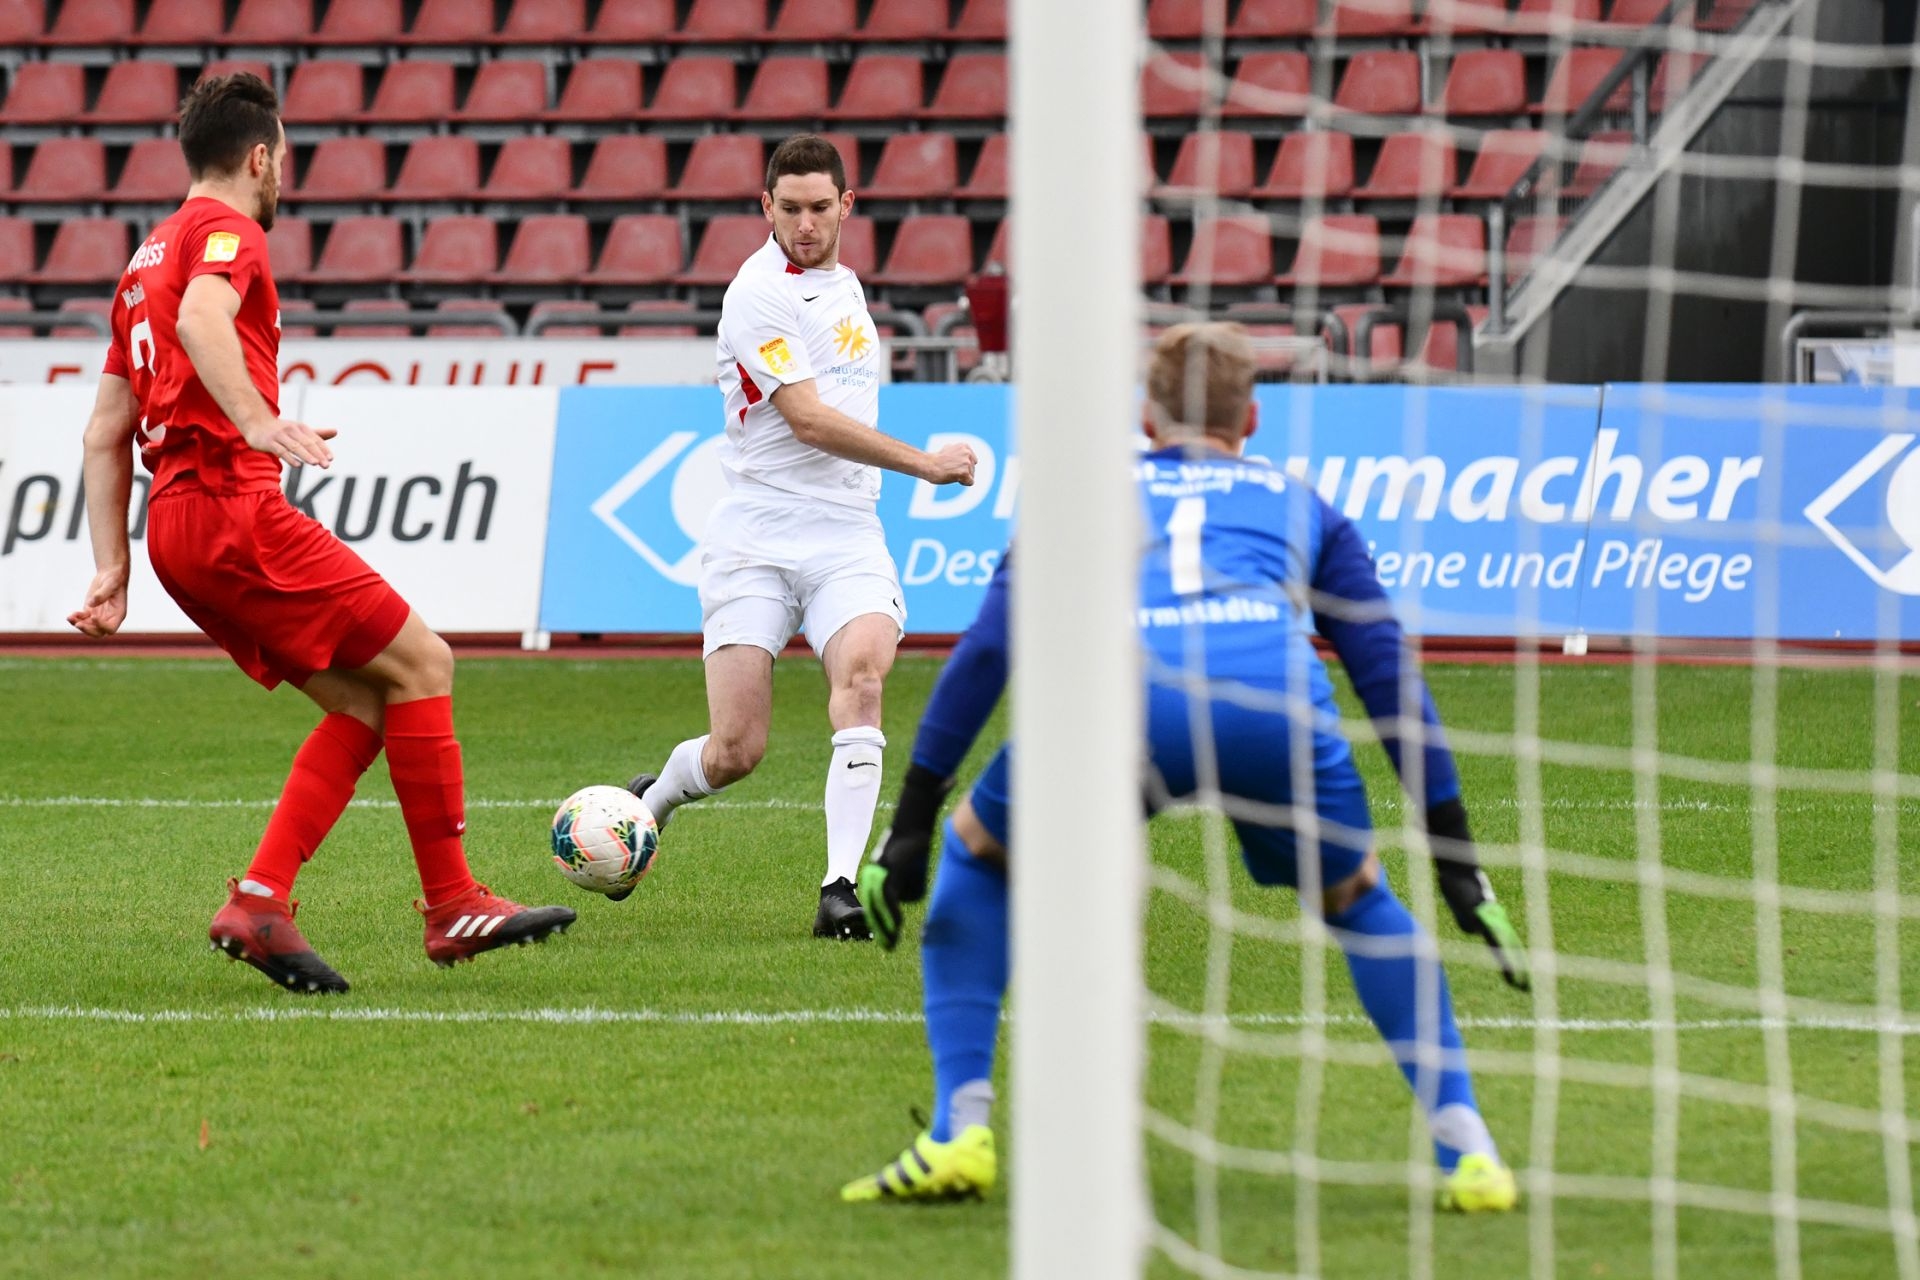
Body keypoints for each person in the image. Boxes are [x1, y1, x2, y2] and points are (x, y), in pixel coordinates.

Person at [842, 323, 1529, 1212]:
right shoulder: (1304, 504)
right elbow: (1387, 676)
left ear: (1145, 420)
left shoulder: (1090, 492)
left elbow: (989, 651)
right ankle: (1470, 1150)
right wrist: (1458, 860)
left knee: (979, 852)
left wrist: (914, 821)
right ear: (1250, 417)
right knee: (1358, 896)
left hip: (1124, 707)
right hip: (1272, 707)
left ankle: (959, 1133)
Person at [68, 72, 575, 994]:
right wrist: (259, 421)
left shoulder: (139, 263)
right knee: (427, 663)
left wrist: (112, 566)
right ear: (260, 156)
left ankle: (262, 900)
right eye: (283, 158)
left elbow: (106, 431)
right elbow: (204, 316)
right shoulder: (229, 234)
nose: (281, 175)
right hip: (232, 505)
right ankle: (453, 901)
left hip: (174, 530)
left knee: (370, 701)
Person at [624, 134, 978, 940]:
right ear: (766, 208)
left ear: (847, 206)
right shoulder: (756, 293)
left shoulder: (841, 282)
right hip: (754, 539)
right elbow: (810, 421)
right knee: (736, 750)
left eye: (822, 207)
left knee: (861, 681)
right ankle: (659, 797)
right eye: (790, 209)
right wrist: (923, 465)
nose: (807, 224)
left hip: (846, 538)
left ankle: (839, 887)